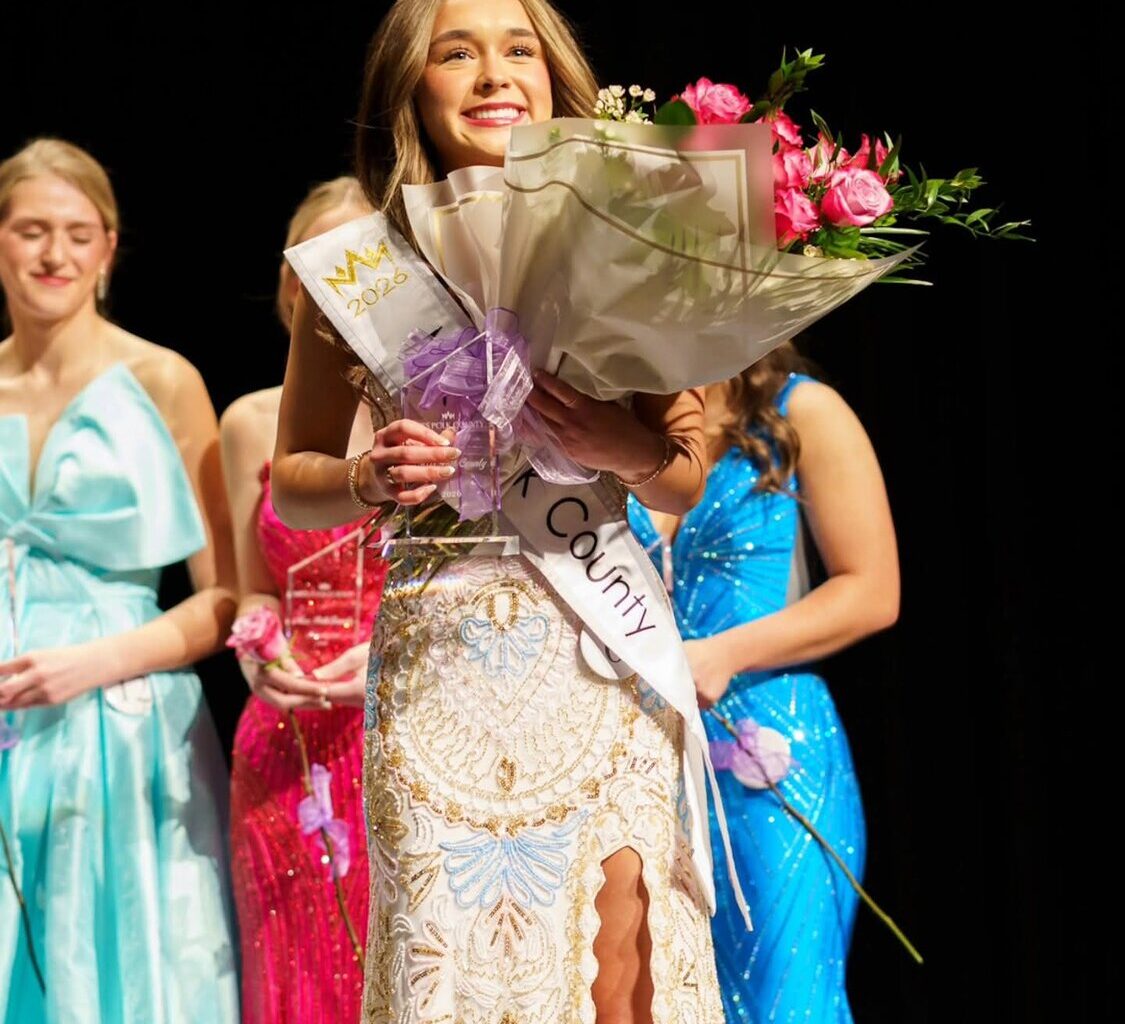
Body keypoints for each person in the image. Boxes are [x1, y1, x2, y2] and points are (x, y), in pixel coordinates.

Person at [270, 1, 726, 1021]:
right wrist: (366, 476)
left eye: (518, 48)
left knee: (619, 968)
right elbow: (292, 479)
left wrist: (618, 444)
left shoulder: (631, 244)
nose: (493, 73)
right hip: (437, 666)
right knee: (451, 971)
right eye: (456, 52)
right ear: (411, 87)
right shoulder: (360, 264)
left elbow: (681, 476)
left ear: (554, 76)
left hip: (598, 649)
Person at [0, 138, 238, 1023]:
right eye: (31, 230)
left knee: (116, 965)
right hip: (4, 714)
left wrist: (95, 663)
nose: (53, 254)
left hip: (123, 723)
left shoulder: (162, 380)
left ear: (108, 247)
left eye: (77, 233)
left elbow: (230, 600)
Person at [630, 345, 900, 1023]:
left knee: (781, 1002)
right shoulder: (611, 422)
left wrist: (724, 653)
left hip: (767, 755)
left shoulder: (801, 410)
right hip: (639, 760)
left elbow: (872, 589)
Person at [219, 175, 386, 1024]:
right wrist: (258, 649)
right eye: (319, 263)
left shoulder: (437, 414)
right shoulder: (249, 421)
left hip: (398, 726)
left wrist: (388, 658)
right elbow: (252, 588)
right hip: (281, 743)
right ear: (292, 284)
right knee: (289, 977)